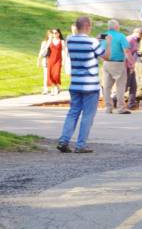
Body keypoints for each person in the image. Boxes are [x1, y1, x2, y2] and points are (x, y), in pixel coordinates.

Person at [57, 17, 112, 154]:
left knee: (73, 113)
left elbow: (83, 46)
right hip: (90, 85)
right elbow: (106, 56)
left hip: (75, 83)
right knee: (87, 115)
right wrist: (108, 43)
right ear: (87, 26)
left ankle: (64, 140)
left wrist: (96, 41)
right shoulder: (92, 41)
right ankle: (80, 145)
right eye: (91, 25)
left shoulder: (71, 40)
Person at [102, 19, 134, 114]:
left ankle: (108, 107)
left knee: (107, 87)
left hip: (106, 63)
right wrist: (132, 63)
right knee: (120, 86)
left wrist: (102, 58)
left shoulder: (102, 35)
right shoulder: (121, 36)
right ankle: (121, 108)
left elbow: (97, 48)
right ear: (116, 27)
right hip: (118, 63)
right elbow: (127, 51)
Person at [125, 28, 142, 110]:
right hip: (127, 66)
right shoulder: (130, 39)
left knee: (133, 86)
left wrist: (138, 54)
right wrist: (131, 65)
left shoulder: (135, 40)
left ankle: (131, 104)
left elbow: (133, 52)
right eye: (140, 35)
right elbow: (127, 52)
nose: (141, 37)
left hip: (130, 65)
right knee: (125, 86)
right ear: (136, 33)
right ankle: (115, 100)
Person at [46, 28, 66, 96]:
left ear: (59, 33)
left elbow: (63, 51)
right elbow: (46, 47)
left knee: (56, 75)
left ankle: (56, 88)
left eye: (56, 33)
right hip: (50, 60)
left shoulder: (62, 41)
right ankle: (54, 89)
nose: (55, 34)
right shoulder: (50, 40)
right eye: (53, 33)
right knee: (50, 75)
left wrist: (64, 60)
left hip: (58, 60)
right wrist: (49, 39)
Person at [37, 30, 52, 94]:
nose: (51, 36)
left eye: (52, 35)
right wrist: (39, 60)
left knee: (52, 75)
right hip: (46, 59)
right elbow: (41, 51)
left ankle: (53, 89)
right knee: (45, 75)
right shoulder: (44, 42)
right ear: (48, 35)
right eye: (50, 35)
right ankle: (45, 89)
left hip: (53, 60)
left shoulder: (55, 42)